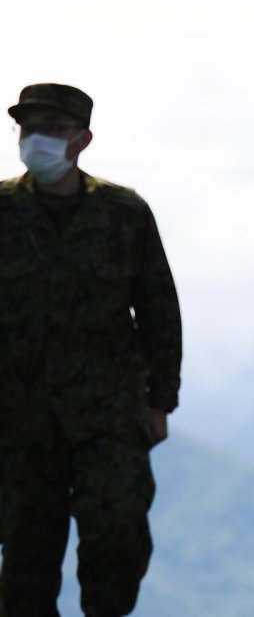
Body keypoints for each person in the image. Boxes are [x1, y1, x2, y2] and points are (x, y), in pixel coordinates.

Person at [0, 83, 182, 616]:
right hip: (19, 421)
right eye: (27, 128)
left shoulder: (124, 214)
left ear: (82, 139)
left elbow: (158, 311)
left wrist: (159, 402)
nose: (37, 140)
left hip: (108, 419)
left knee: (119, 543)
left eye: (52, 129)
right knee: (26, 563)